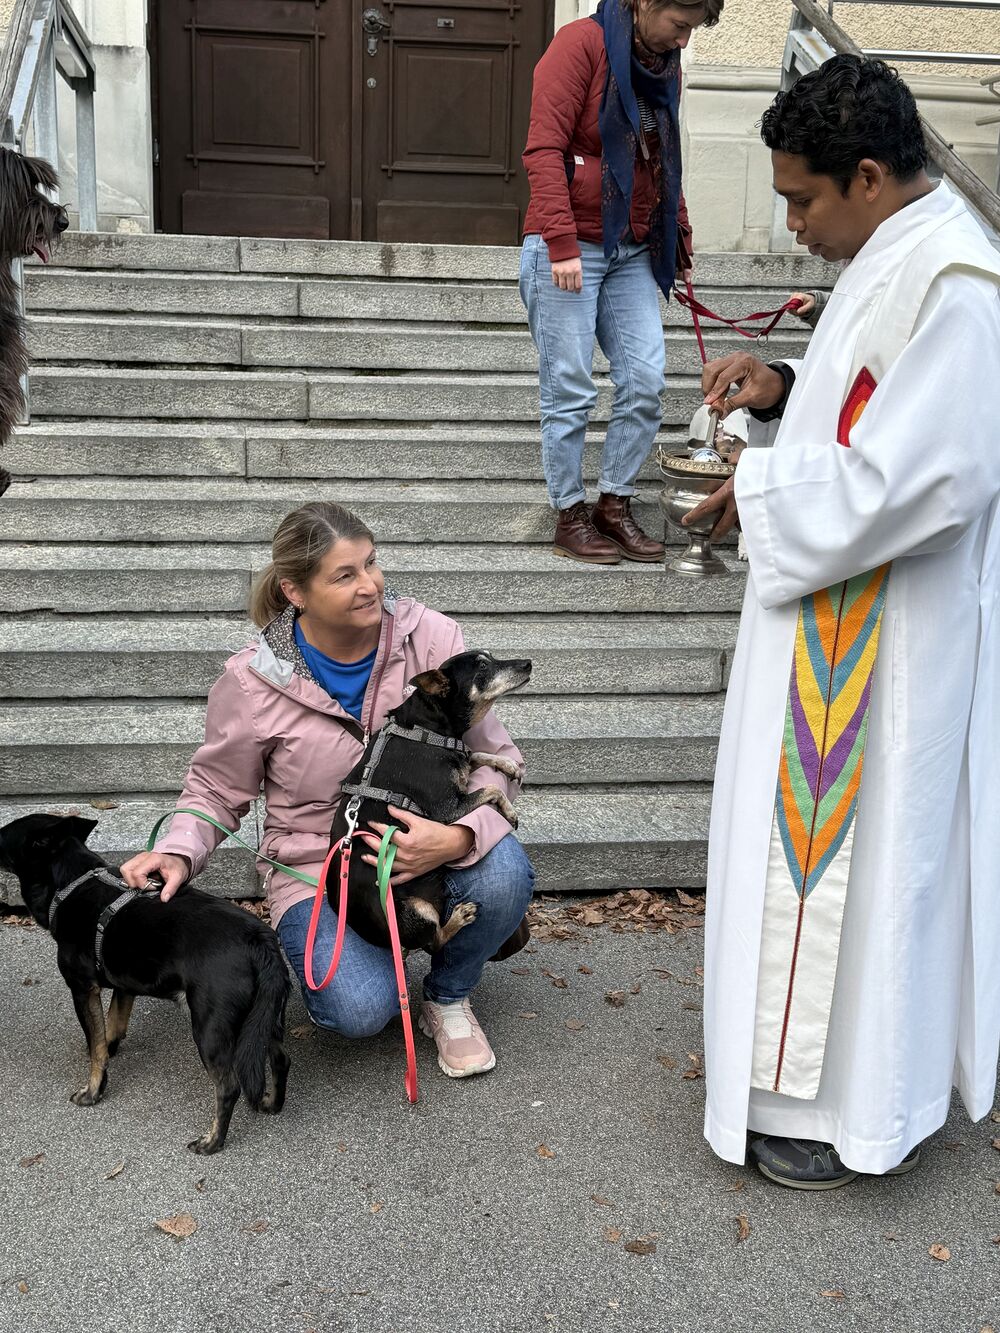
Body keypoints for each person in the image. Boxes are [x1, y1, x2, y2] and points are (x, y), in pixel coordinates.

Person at [687, 55, 1000, 1189]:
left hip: (885, 648)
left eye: (802, 199)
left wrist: (761, 490)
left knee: (857, 878)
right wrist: (783, 386)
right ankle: (791, 1083)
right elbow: (867, 396)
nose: (792, 224)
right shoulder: (898, 250)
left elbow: (923, 480)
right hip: (833, 623)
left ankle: (848, 1110)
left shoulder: (959, 283)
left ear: (867, 176)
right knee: (819, 869)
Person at [120, 502, 535, 1080]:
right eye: (344, 575)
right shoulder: (252, 680)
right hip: (320, 864)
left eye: (371, 563)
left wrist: (459, 836)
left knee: (505, 871)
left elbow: (495, 755)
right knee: (358, 1010)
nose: (370, 585)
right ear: (295, 592)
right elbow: (216, 787)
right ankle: (383, 956)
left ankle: (448, 995)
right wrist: (178, 850)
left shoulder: (429, 638)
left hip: (432, 839)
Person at [520, 0, 724, 565]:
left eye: (693, 29)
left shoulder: (663, 66)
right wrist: (561, 243)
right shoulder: (578, 45)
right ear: (646, 2)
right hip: (569, 245)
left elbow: (665, 160)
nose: (684, 40)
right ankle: (569, 515)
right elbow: (543, 150)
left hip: (632, 245)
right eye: (680, 25)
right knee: (570, 388)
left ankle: (614, 504)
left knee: (646, 379)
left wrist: (677, 236)